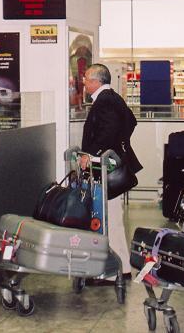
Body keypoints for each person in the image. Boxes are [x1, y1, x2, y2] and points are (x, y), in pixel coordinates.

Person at [80, 63, 142, 283]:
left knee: (110, 217)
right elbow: (130, 122)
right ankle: (121, 266)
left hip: (105, 168)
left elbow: (108, 131)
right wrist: (120, 144)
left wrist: (92, 154)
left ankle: (116, 270)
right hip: (110, 165)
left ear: (96, 81)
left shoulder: (104, 101)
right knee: (111, 217)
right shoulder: (113, 98)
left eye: (86, 78)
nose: (84, 82)